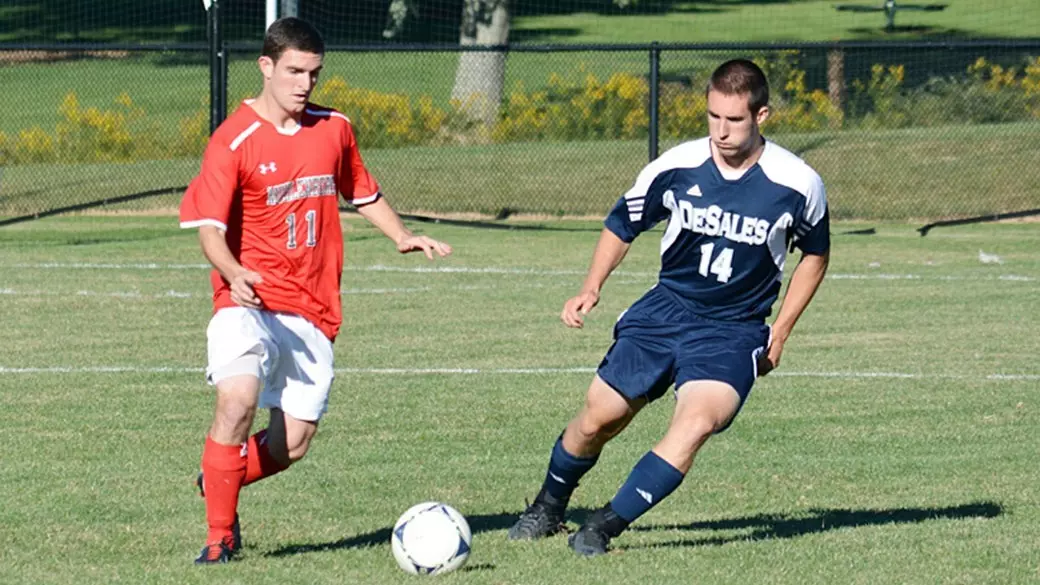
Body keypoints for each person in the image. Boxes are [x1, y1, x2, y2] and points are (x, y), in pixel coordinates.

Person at [507, 59, 830, 557]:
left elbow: (815, 252)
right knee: (599, 419)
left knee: (697, 423)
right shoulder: (676, 165)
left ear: (762, 116)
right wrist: (591, 286)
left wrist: (781, 331)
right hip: (665, 313)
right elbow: (623, 222)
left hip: (733, 329)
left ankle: (604, 526)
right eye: (712, 117)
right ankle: (548, 506)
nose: (721, 131)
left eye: (734, 120)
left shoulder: (797, 182)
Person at [178, 17, 452, 565]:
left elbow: (362, 189)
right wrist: (233, 272)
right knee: (237, 400)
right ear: (266, 67)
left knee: (293, 444)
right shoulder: (233, 139)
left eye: (314, 73)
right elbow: (208, 227)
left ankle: (220, 476)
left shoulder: (334, 128)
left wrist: (401, 234)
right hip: (247, 299)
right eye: (294, 71)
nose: (304, 84)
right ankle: (219, 537)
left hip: (313, 307)